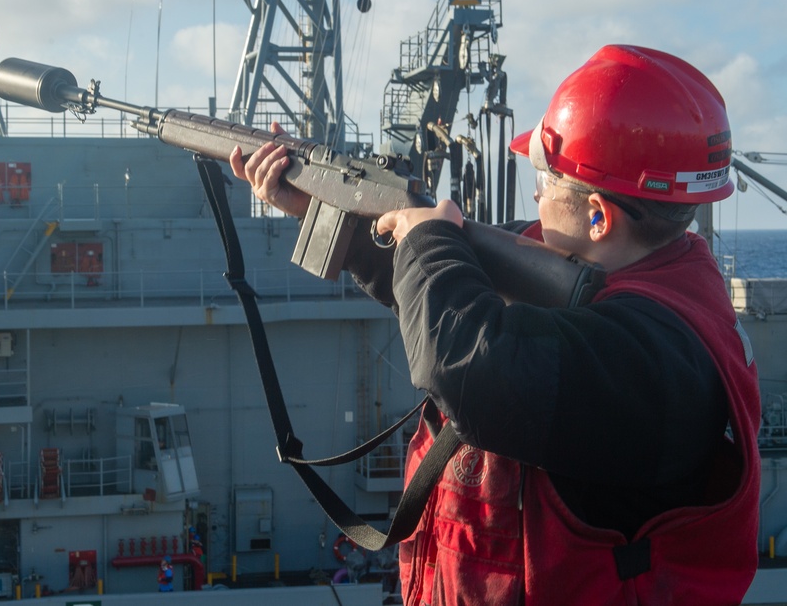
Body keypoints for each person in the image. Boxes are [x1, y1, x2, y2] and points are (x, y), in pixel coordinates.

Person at [230, 44, 761, 605]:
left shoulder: (663, 358)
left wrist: (430, 240)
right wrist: (320, 206)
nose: (536, 193)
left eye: (545, 176)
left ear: (599, 217)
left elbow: (470, 366)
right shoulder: (622, 276)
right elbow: (447, 296)